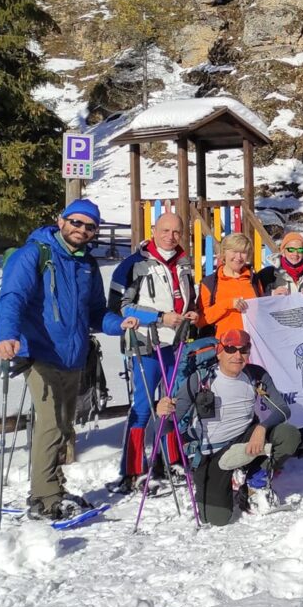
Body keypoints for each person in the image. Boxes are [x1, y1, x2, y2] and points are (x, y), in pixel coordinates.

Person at [0, 199, 126, 520]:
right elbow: (12, 297)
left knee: (64, 426)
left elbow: (95, 313)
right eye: (76, 222)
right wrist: (6, 334)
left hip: (73, 356)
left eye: (89, 226)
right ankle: (44, 498)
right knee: (51, 424)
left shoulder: (86, 265)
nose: (81, 230)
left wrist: (119, 323)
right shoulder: (34, 254)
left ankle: (54, 485)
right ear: (61, 220)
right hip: (39, 353)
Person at [107, 210, 199, 492]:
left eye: (176, 232)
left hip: (177, 342)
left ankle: (171, 460)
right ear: (154, 231)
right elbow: (120, 306)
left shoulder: (184, 263)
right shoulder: (134, 264)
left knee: (171, 403)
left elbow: (188, 298)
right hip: (147, 342)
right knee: (144, 406)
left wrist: (192, 313)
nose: (171, 237)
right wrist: (159, 317)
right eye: (165, 231)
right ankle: (133, 470)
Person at [168, 328, 301, 524]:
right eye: (230, 349)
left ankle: (255, 481)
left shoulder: (255, 374)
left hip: (245, 437)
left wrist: (261, 428)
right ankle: (230, 478)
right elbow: (165, 427)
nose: (238, 355)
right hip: (212, 452)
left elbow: (283, 409)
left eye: (244, 349)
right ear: (219, 352)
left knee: (288, 435)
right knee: (215, 519)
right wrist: (163, 414)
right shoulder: (200, 380)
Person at [197, 232, 265, 339]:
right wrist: (228, 304)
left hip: (252, 345)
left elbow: (262, 311)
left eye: (243, 252)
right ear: (224, 253)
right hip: (222, 346)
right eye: (234, 251)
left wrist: (276, 296)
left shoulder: (254, 280)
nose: (238, 257)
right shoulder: (210, 283)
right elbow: (201, 320)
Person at [256, 230, 303, 295]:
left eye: (300, 250)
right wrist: (271, 294)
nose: (295, 253)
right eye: (291, 250)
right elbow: (254, 298)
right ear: (283, 252)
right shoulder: (267, 274)